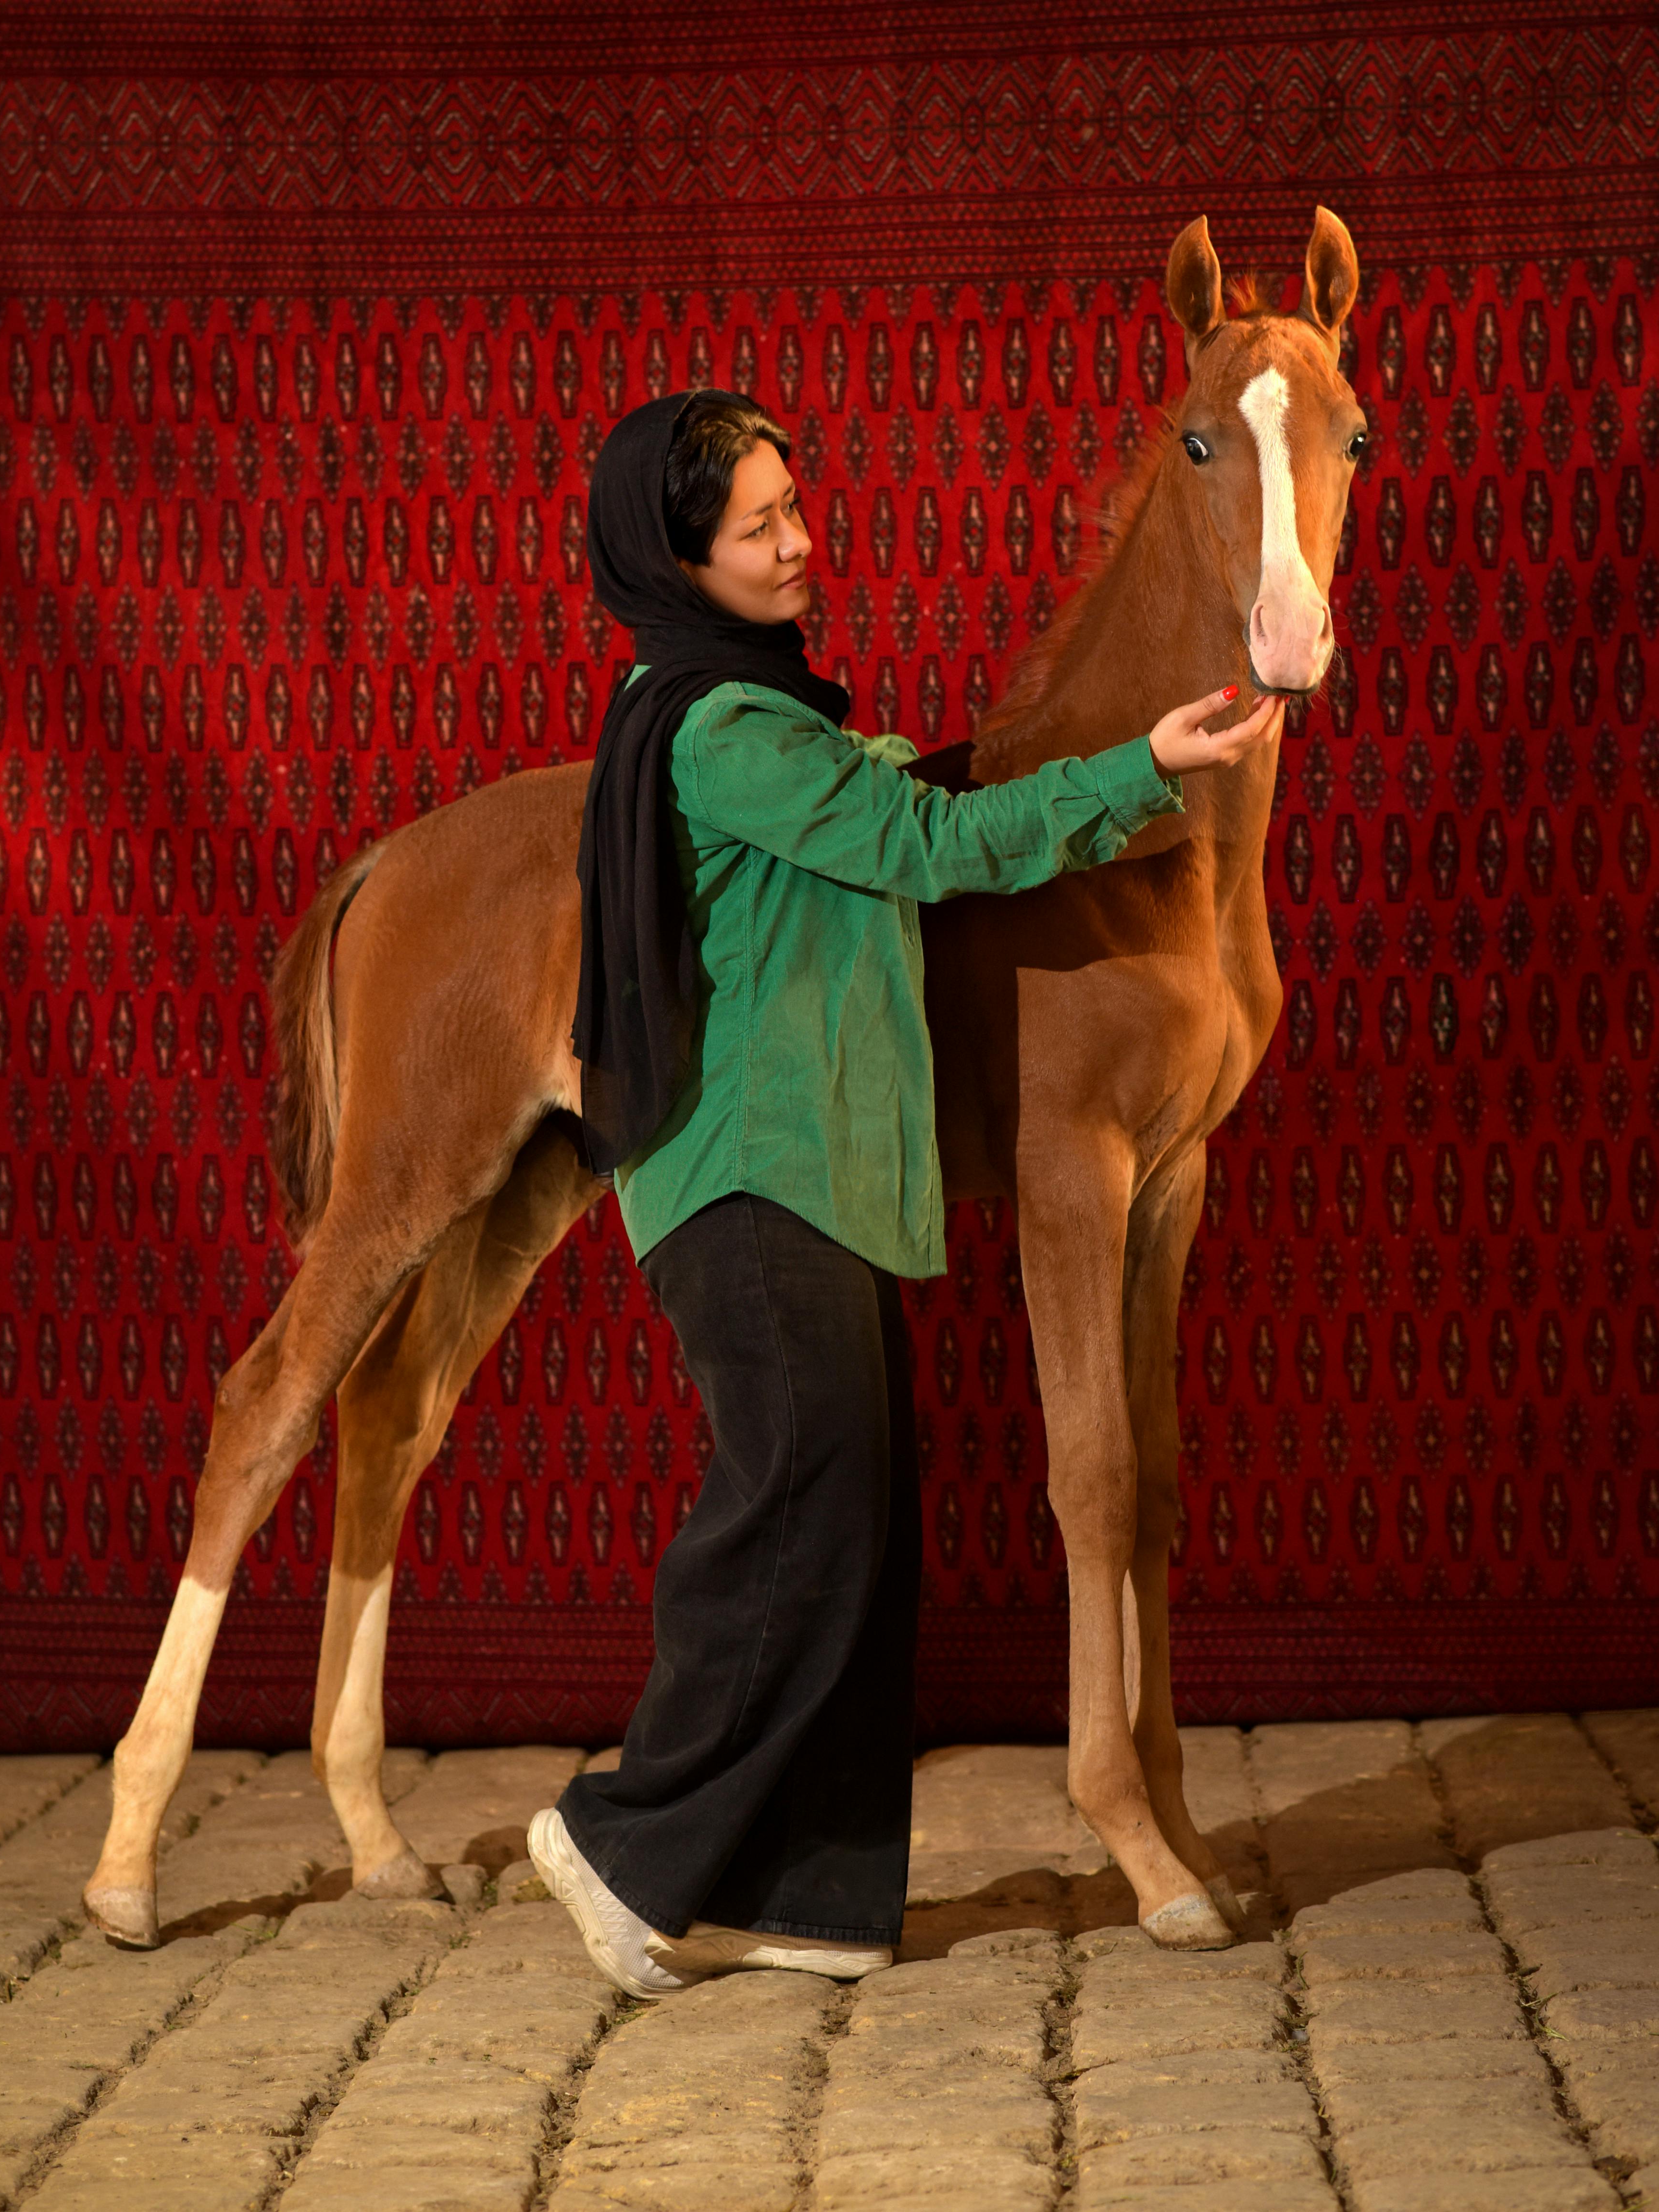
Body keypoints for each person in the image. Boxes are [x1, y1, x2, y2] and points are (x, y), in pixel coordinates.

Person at [528, 389, 1283, 1998]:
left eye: (798, 505)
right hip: (744, 1179)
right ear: (681, 557)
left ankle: (806, 1892)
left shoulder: (767, 710)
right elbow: (916, 839)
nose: (800, 544)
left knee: (862, 1528)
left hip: (826, 1178)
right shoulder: (716, 728)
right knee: (793, 1517)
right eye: (758, 527)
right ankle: (621, 1841)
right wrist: (1136, 769)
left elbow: (880, 799)